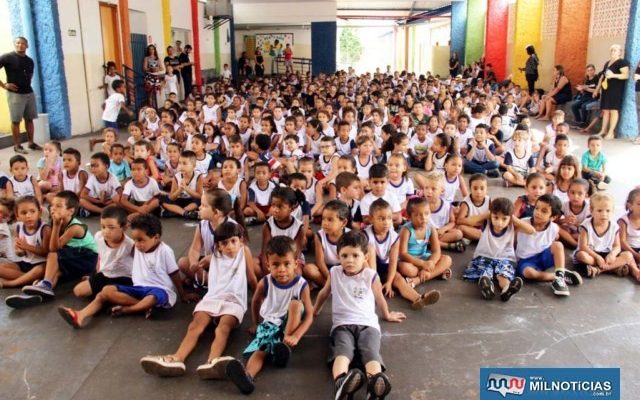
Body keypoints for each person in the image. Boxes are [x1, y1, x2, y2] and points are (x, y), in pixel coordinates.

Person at [140, 221, 257, 378]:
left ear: (240, 240)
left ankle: (213, 362)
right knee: (195, 326)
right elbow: (197, 261)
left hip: (234, 302)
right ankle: (177, 358)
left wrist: (259, 304)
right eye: (224, 243)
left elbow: (252, 278)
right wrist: (196, 266)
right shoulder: (213, 256)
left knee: (222, 328)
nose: (230, 246)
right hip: (212, 298)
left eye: (234, 241)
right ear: (218, 246)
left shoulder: (244, 252)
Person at [57, 213, 196, 328]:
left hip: (159, 290)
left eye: (141, 240)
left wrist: (182, 294)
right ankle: (80, 316)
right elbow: (113, 253)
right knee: (105, 291)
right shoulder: (136, 247)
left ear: (156, 237)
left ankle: (127, 309)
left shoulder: (165, 251)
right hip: (138, 288)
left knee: (152, 298)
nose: (137, 244)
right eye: (135, 240)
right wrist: (96, 274)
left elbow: (174, 274)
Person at [314, 230, 405, 400]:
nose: (349, 260)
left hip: (368, 325)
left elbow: (379, 298)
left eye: (355, 255)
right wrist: (315, 310)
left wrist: (387, 314)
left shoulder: (370, 275)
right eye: (345, 255)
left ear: (365, 256)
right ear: (338, 256)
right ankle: (341, 383)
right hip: (342, 325)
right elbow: (324, 293)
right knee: (343, 351)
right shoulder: (334, 272)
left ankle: (374, 386)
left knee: (370, 351)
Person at [225, 236, 313, 395]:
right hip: (269, 324)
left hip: (289, 328)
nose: (281, 269)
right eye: (276, 265)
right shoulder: (265, 282)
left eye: (287, 264)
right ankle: (247, 377)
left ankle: (284, 346)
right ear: (268, 265)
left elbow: (309, 316)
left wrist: (296, 336)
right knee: (261, 351)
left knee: (295, 304)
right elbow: (256, 301)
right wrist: (255, 322)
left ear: (296, 264)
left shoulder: (301, 285)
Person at [6, 191, 98, 308]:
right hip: (73, 256)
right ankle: (41, 292)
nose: (53, 209)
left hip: (88, 258)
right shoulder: (56, 221)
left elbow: (53, 248)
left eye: (58, 206)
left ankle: (44, 283)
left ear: (71, 211)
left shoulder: (74, 227)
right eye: (52, 205)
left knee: (53, 255)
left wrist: (56, 226)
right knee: (56, 272)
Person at [463, 198, 536, 301]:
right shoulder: (487, 222)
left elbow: (531, 231)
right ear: (491, 215)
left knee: (504, 275)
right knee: (485, 272)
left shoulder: (512, 225)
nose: (499, 222)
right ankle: (487, 287)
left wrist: (515, 220)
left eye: (504, 219)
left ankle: (507, 289)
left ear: (510, 218)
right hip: (484, 256)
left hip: (504, 258)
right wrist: (486, 215)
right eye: (495, 217)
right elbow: (468, 222)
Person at [71, 205, 134, 298]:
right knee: (78, 291)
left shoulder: (130, 245)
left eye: (111, 227)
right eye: (103, 227)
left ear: (124, 227)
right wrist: (95, 275)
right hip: (105, 274)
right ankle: (108, 295)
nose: (106, 231)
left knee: (105, 295)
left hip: (123, 278)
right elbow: (100, 256)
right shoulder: (98, 236)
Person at [0, 36, 42, 153]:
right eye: (18, 43)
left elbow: (30, 75)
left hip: (29, 92)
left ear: (27, 46)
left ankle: (31, 143)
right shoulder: (7, 57)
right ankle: (17, 145)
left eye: (23, 43)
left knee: (29, 119)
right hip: (15, 94)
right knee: (15, 120)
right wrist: (4, 85)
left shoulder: (29, 61)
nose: (20, 45)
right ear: (15, 44)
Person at [0, 196, 50, 289]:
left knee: (39, 270)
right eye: (23, 213)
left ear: (39, 212)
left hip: (40, 263)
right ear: (17, 215)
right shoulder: (19, 227)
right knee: (1, 267)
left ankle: (11, 283)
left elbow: (46, 253)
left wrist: (26, 246)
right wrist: (20, 251)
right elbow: (21, 253)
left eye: (32, 211)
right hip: (25, 263)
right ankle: (31, 280)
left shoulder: (45, 229)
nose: (28, 215)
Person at [594, 44, 630, 140]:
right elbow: (602, 76)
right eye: (612, 50)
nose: (613, 52)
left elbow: (626, 75)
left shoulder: (622, 62)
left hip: (616, 89)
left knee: (613, 110)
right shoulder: (607, 63)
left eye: (615, 50)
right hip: (606, 89)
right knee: (605, 110)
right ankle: (603, 130)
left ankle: (611, 132)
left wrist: (613, 75)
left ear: (619, 52)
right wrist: (597, 89)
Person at [570, 64, 600, 128]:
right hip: (585, 97)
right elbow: (584, 89)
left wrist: (585, 88)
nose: (589, 72)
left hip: (593, 97)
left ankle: (584, 123)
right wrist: (581, 90)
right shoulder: (586, 79)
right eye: (588, 70)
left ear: (594, 70)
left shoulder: (597, 78)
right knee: (574, 106)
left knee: (584, 106)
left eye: (591, 70)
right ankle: (578, 121)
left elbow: (597, 90)